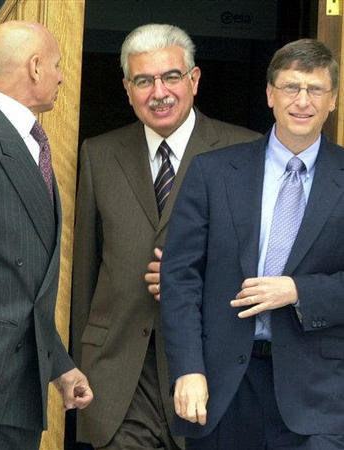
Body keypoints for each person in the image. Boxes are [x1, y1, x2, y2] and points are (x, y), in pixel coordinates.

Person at [71, 23, 260, 450]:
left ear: (193, 79)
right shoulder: (99, 154)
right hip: (119, 375)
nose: (159, 92)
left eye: (171, 77)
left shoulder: (246, 150)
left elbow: (265, 263)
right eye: (143, 80)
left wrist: (191, 277)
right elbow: (84, 269)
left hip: (209, 369)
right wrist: (76, 366)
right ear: (127, 88)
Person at [160, 38, 344, 450]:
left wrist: (299, 291)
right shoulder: (214, 172)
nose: (302, 100)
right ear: (269, 94)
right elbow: (180, 277)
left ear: (332, 100)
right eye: (290, 87)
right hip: (223, 389)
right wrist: (188, 369)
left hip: (321, 397)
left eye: (315, 89)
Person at [0, 21, 93, 450]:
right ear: (35, 67)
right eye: (56, 65)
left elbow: (21, 281)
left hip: (15, 392)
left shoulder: (28, 138)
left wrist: (60, 365)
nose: (61, 76)